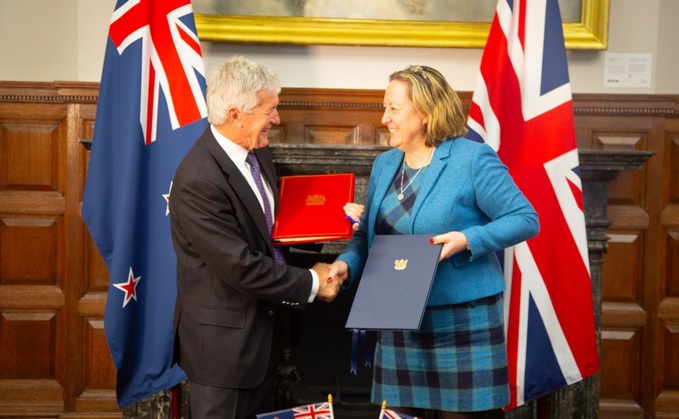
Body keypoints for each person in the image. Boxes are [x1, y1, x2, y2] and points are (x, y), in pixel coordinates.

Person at [328, 65, 540, 418]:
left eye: (393, 109)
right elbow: (367, 236)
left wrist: (467, 239)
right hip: (398, 319)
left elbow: (525, 219)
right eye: (385, 108)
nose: (384, 119)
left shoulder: (472, 158)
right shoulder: (384, 164)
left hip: (460, 321)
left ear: (426, 112)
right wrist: (346, 263)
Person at [169, 56, 353, 419]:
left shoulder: (257, 154)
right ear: (236, 114)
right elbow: (240, 266)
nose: (278, 119)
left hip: (264, 339)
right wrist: (313, 282)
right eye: (270, 109)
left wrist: (336, 226)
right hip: (224, 354)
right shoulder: (199, 179)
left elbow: (270, 240)